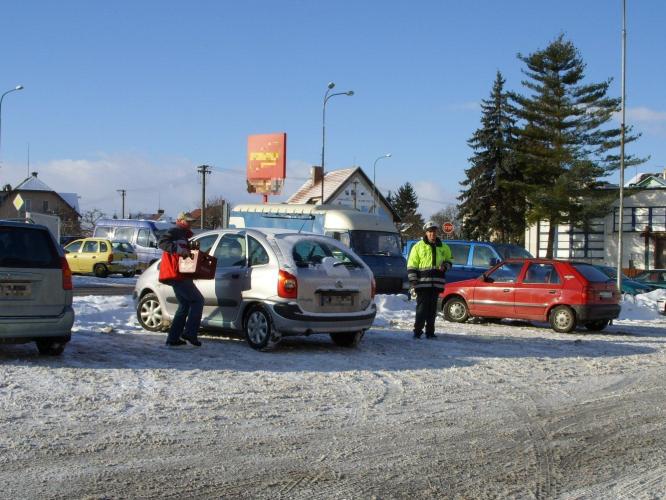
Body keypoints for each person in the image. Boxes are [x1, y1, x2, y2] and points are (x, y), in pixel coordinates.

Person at [158, 212, 204, 347]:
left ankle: (173, 339)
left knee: (184, 305)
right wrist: (178, 250)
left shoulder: (185, 235)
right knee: (198, 300)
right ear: (179, 220)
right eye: (187, 221)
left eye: (191, 222)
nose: (190, 224)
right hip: (176, 273)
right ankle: (190, 332)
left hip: (180, 273)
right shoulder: (175, 231)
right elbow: (162, 242)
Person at [407, 221, 453, 339]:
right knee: (422, 309)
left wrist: (445, 266)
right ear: (426, 232)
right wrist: (413, 280)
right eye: (430, 232)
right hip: (422, 284)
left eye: (434, 231)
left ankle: (430, 332)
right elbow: (412, 264)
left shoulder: (444, 246)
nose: (432, 234)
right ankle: (417, 332)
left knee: (432, 310)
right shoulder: (418, 246)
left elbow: (449, 260)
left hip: (436, 284)